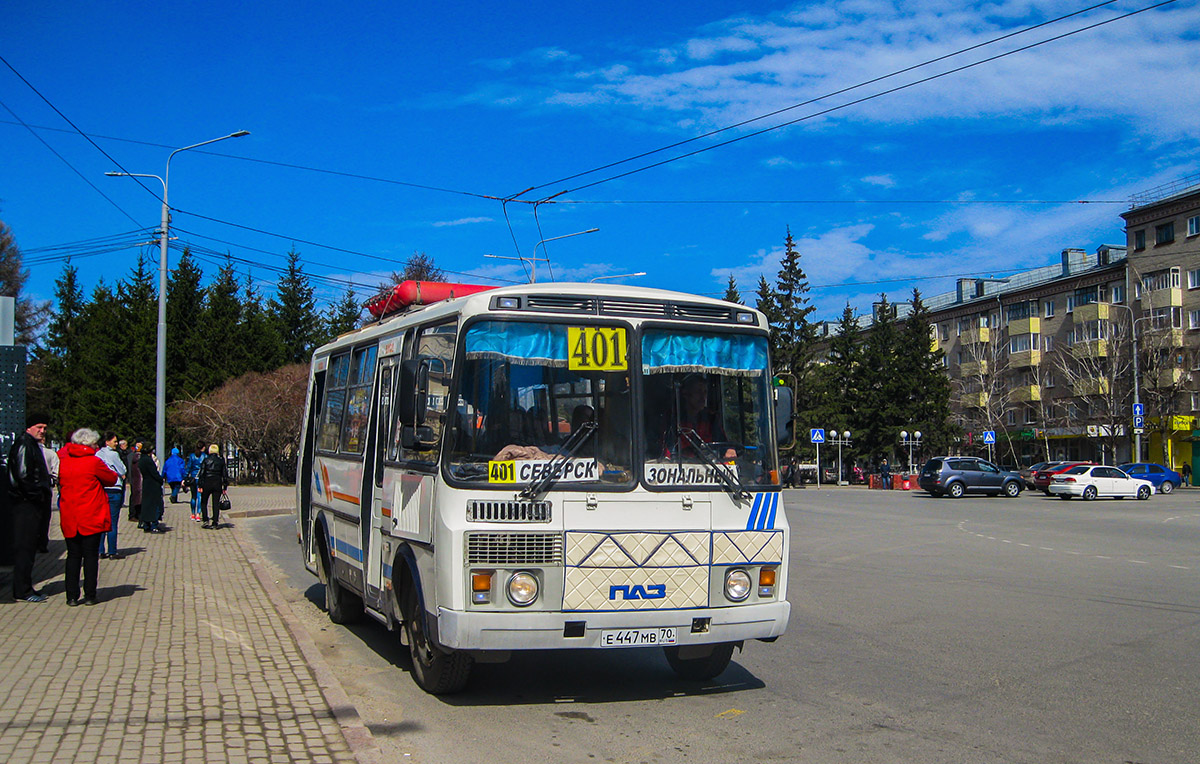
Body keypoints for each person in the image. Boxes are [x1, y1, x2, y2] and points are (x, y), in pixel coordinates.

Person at [57, 428, 118, 606]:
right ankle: (90, 594)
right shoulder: (93, 462)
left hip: (70, 515)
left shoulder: (64, 462)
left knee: (73, 555)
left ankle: (71, 596)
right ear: (89, 444)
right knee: (90, 556)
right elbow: (111, 478)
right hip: (90, 514)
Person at [6, 414, 53, 602]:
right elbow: (24, 475)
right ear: (29, 427)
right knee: (25, 548)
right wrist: (37, 495)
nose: (42, 431)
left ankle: (25, 587)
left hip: (29, 502)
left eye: (44, 427)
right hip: (26, 505)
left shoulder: (30, 444)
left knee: (29, 548)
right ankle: (23, 590)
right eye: (39, 427)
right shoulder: (25, 444)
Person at [95, 432, 127, 559]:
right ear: (107, 442)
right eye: (114, 441)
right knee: (112, 522)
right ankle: (112, 551)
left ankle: (100, 550)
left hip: (101, 489)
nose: (116, 444)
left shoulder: (98, 454)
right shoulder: (113, 454)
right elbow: (122, 469)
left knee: (102, 521)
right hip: (114, 488)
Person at [197, 444, 228, 529]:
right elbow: (224, 475)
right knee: (216, 504)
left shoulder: (206, 460)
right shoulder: (221, 461)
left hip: (207, 483)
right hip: (217, 483)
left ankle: (206, 520)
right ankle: (215, 522)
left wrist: (200, 485)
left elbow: (202, 473)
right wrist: (225, 486)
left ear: (210, 451)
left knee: (204, 502)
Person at [38, 436, 59, 553]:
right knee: (45, 517)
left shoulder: (30, 453)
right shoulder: (50, 454)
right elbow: (56, 471)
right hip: (46, 488)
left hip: (32, 489)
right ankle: (42, 543)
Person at [139, 445, 166, 533]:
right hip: (153, 484)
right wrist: (160, 479)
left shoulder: (141, 460)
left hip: (146, 483)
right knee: (155, 505)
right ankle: (154, 524)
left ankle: (146, 524)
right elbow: (154, 473)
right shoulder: (148, 460)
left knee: (146, 505)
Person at [185, 443, 205, 522]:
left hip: (193, 478)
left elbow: (188, 467)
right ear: (203, 448)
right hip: (201, 478)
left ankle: (192, 514)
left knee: (193, 496)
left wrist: (185, 477)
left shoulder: (192, 456)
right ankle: (198, 515)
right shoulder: (204, 456)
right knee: (199, 496)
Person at [126, 441, 143, 524]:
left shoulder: (131, 456)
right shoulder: (133, 456)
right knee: (135, 497)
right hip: (136, 479)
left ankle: (135, 514)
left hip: (134, 479)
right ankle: (133, 514)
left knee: (135, 496)